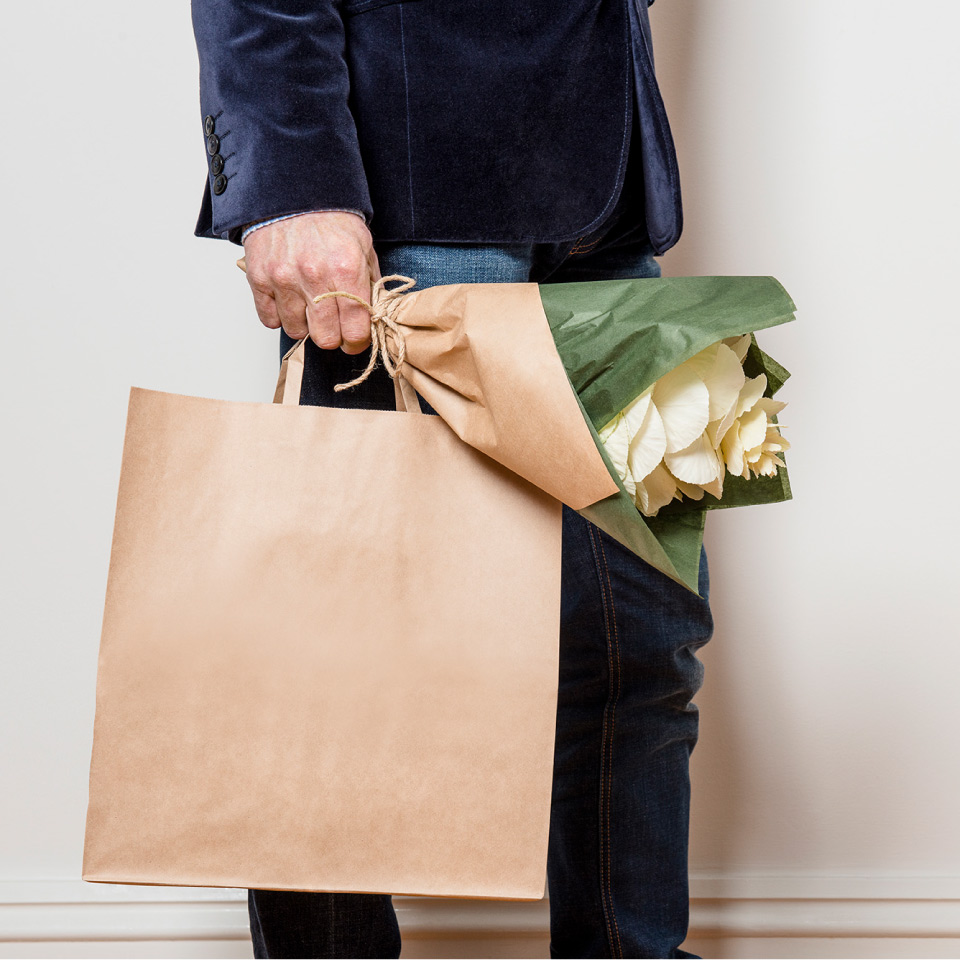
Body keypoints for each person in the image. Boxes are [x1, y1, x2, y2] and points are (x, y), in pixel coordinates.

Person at [191, 2, 713, 957]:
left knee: (639, 647)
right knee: (341, 675)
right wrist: (289, 179)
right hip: (408, 209)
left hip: (609, 212)